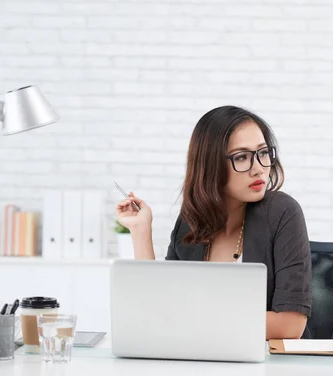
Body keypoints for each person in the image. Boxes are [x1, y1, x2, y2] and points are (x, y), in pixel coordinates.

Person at [115, 105, 312, 340]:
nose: (259, 168)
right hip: (203, 357)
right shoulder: (191, 221)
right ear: (211, 165)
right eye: (241, 157)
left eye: (263, 152)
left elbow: (290, 326)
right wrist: (140, 231)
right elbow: (159, 307)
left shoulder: (282, 213)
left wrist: (191, 317)